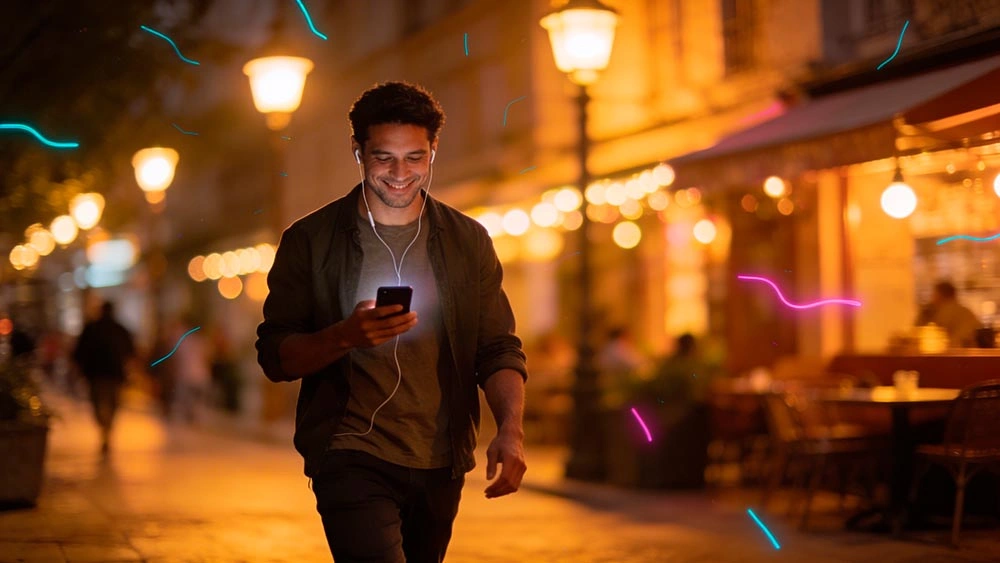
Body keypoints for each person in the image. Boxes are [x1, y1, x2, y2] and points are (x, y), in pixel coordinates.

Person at [255, 81, 528, 563]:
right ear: (357, 150)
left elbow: (498, 348)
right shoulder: (310, 240)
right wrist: (344, 336)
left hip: (440, 459)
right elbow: (276, 356)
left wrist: (511, 429)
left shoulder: (469, 241)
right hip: (349, 452)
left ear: (433, 152)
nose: (400, 174)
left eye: (415, 158)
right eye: (383, 158)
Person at [71, 300, 136, 456]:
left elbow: (78, 352)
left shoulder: (91, 328)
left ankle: (104, 428)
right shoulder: (120, 329)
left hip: (95, 374)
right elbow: (131, 353)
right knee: (112, 403)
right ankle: (106, 429)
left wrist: (80, 369)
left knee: (97, 402)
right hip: (114, 374)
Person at [915, 280, 982, 348]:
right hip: (970, 353)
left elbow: (938, 339)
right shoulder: (966, 311)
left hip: (954, 353)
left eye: (933, 294)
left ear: (939, 295)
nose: (931, 298)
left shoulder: (945, 312)